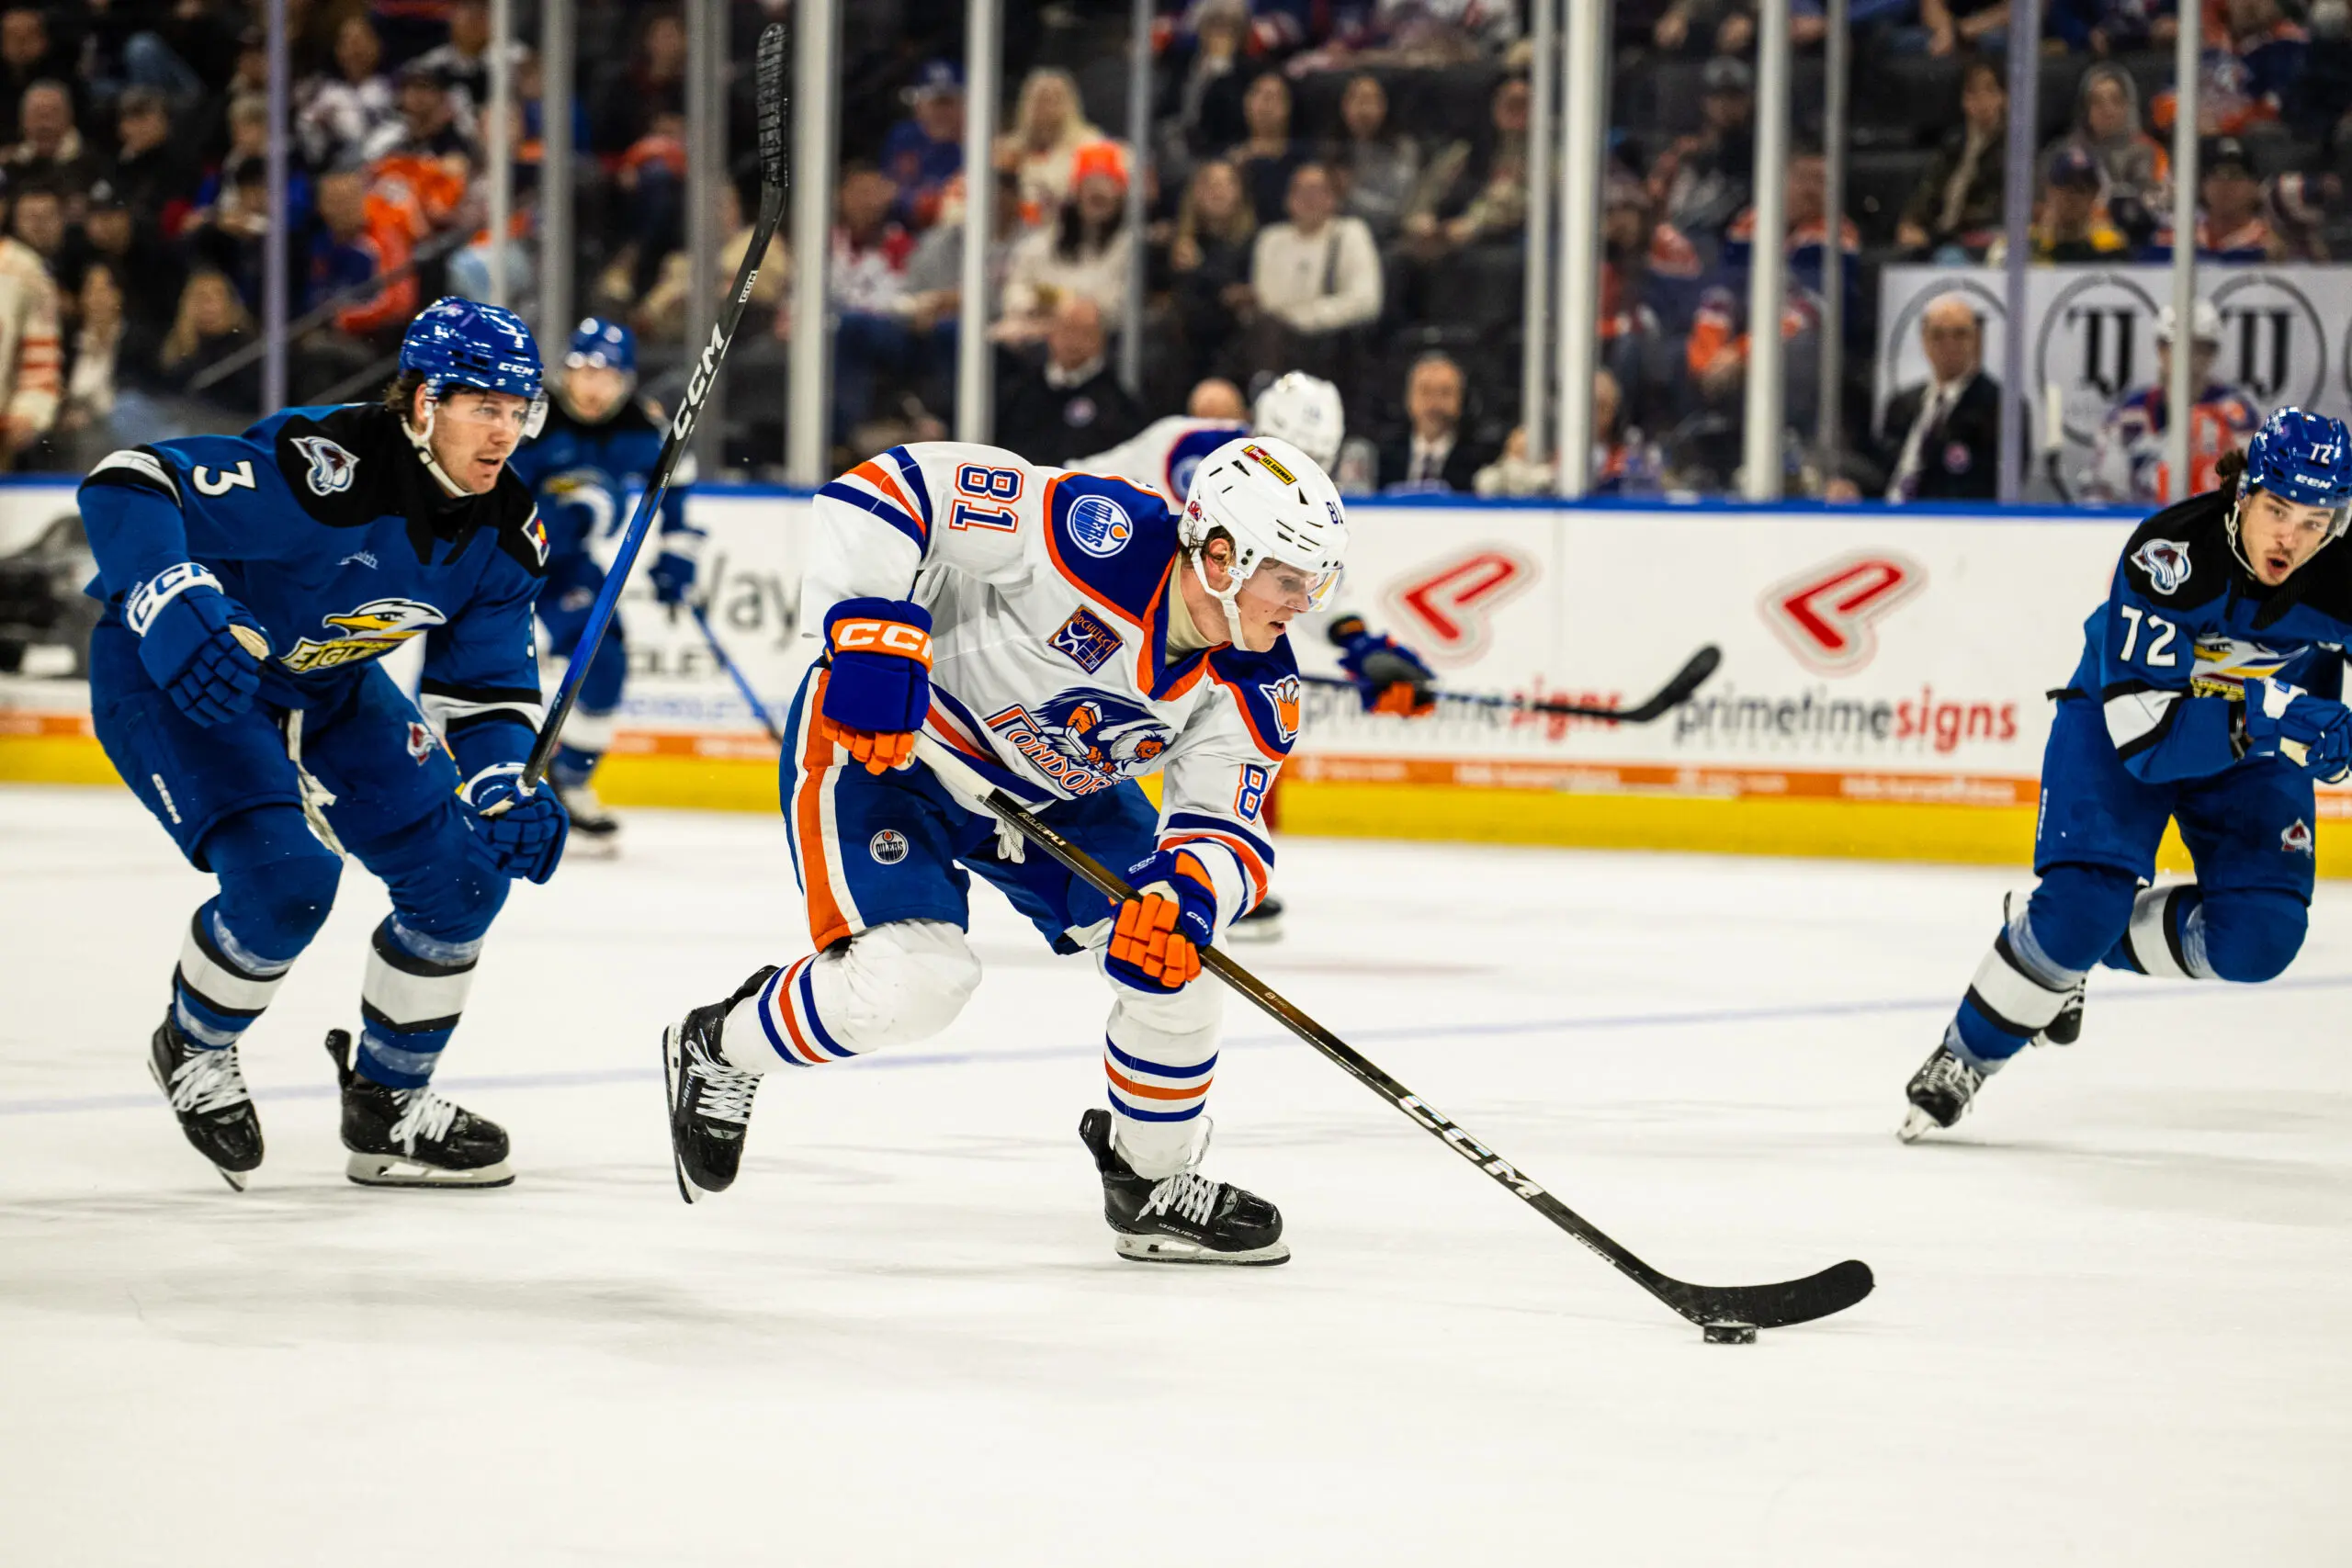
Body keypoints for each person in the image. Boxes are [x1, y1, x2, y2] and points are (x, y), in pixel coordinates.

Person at [659, 434, 1348, 1265]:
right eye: (1289, 578)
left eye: (1316, 582)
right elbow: (889, 486)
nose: (1301, 603)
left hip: (1055, 794)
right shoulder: (1096, 533)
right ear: (1221, 555)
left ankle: (1150, 1184)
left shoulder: (1258, 680)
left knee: (1186, 965)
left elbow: (1224, 823)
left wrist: (1185, 895)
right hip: (896, 750)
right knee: (919, 984)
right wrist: (870, 635)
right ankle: (719, 1045)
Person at [77, 296, 569, 1190]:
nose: (503, 432)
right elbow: (126, 481)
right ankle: (194, 1044)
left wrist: (503, 780)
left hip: (329, 686)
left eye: (517, 411)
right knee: (288, 881)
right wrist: (165, 599)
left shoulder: (506, 533)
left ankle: (386, 1109)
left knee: (464, 882)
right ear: (422, 402)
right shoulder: (326, 470)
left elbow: (484, 687)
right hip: (188, 668)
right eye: (483, 407)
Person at [1902, 408, 2352, 1140]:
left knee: (2262, 938)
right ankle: (1968, 1053)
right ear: (2245, 494)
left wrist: (2328, 729)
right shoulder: (2169, 556)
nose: (2291, 538)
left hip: (2250, 746)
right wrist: (2269, 716)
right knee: (2083, 904)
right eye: (2277, 510)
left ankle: (2068, 943)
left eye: (2315, 521)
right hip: (2129, 717)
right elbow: (2146, 739)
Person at [1080, 369, 1437, 942]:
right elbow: (1086, 489)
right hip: (1136, 608)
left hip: (1216, 617)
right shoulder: (1187, 452)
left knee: (1253, 703)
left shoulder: (1295, 498)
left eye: (1318, 459)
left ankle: (1204, 866)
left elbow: (1299, 579)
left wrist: (1360, 644)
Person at [504, 317, 702, 853]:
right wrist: (570, 515)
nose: (591, 386)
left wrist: (678, 556)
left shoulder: (643, 427)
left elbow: (677, 486)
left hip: (566, 568)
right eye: (581, 371)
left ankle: (570, 779)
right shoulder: (532, 417)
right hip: (498, 558)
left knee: (605, 663)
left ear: (627, 381)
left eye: (606, 375)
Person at [2083, 300, 2262, 506]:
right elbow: (2099, 492)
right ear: (2160, 350)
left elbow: (2257, 489)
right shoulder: (2128, 415)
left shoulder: (2237, 415)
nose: (2190, 359)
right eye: (2177, 347)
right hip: (2145, 528)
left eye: (2200, 349)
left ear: (2213, 354)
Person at [1873, 293, 2003, 502]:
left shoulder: (1999, 408)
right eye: (1938, 335)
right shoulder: (1901, 405)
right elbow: (1880, 470)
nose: (1949, 344)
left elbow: (1989, 485)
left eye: (1960, 334)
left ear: (1976, 340)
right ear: (1924, 340)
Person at [993, 295, 1145, 468]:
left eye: (1085, 332)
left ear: (1101, 339)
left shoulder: (1119, 405)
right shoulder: (1018, 392)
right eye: (1067, 329)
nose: (1074, 340)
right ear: (1050, 334)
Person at [1896, 57, 2007, 259]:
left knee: (1949, 257)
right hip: (1939, 242)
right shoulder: (1953, 145)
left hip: (1978, 247)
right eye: (1972, 92)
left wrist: (1932, 237)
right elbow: (1926, 193)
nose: (1981, 100)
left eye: (1990, 90)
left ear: (2004, 98)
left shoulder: (2010, 151)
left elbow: (1988, 213)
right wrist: (1910, 223)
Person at [1379, 352, 1491, 492]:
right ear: (1408, 398)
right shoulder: (1382, 457)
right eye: (1425, 392)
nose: (1434, 404)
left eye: (1445, 393)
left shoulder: (1482, 461)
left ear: (1461, 400)